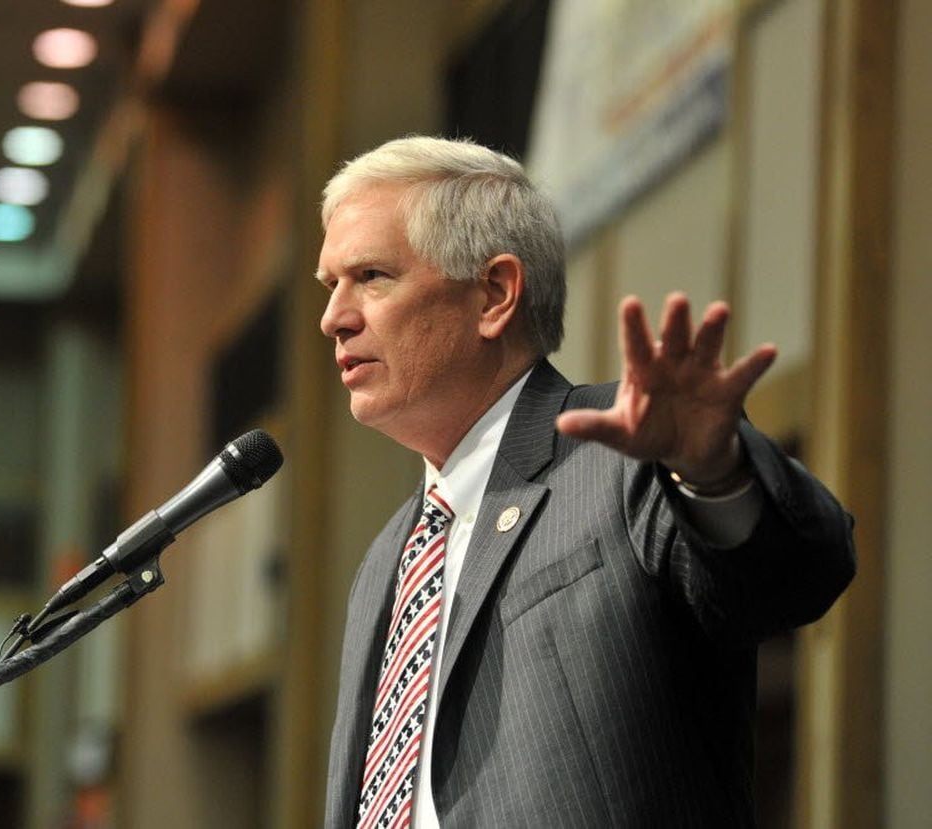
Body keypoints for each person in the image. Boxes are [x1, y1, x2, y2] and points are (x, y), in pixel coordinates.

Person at [317, 136, 855, 828]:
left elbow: (794, 580)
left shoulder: (626, 455)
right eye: (331, 285)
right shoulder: (385, 561)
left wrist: (713, 474)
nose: (334, 317)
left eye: (371, 276)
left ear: (495, 294)